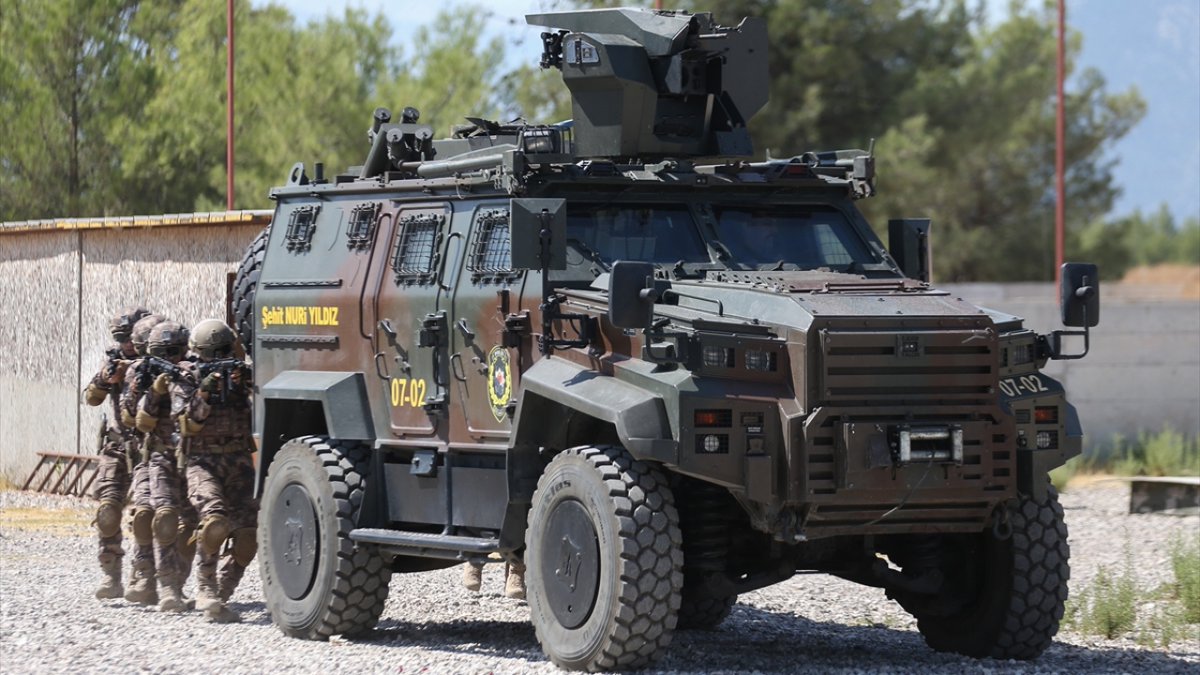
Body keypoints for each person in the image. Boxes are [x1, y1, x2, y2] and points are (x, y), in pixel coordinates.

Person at [174, 319, 257, 623]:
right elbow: (184, 423)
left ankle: (221, 593)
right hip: (202, 461)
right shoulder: (188, 377)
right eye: (214, 353)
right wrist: (204, 393)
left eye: (224, 352)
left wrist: (246, 381)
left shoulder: (241, 374)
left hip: (238, 459)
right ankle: (205, 587)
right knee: (214, 522)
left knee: (249, 534)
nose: (219, 359)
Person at [82, 306, 150, 600]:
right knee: (108, 511)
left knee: (145, 515)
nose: (127, 345)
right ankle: (111, 576)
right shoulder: (114, 360)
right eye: (121, 339)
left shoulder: (156, 361)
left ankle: (143, 576)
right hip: (117, 445)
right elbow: (91, 398)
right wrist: (105, 378)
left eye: (130, 338)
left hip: (149, 447)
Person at [132, 321, 195, 612]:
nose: (171, 357)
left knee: (194, 526)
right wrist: (156, 390)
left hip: (196, 459)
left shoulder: (193, 372)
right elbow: (137, 420)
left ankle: (178, 582)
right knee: (164, 518)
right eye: (162, 352)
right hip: (160, 457)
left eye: (176, 350)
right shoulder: (142, 373)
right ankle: (163, 584)